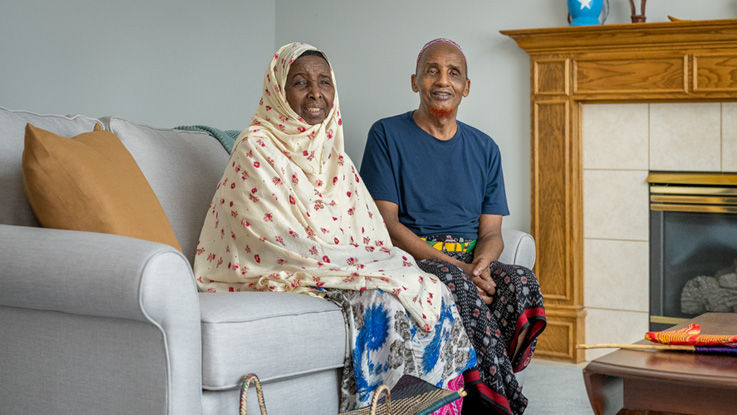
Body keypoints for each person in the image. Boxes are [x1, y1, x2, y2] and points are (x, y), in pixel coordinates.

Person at [193, 42, 475, 413]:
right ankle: (378, 408)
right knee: (382, 300)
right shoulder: (255, 146)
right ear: (278, 89)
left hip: (331, 263)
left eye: (324, 82)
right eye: (300, 82)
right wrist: (356, 270)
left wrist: (377, 267)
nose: (315, 93)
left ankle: (432, 407)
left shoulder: (333, 154)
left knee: (426, 284)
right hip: (278, 267)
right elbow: (273, 237)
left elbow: (369, 233)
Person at [360, 38, 547, 415]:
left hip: (466, 260)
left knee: (522, 282)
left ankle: (479, 390)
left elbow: (492, 233)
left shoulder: (485, 148)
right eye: (432, 71)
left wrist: (479, 266)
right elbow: (388, 225)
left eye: (454, 73)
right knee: (456, 284)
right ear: (415, 81)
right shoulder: (386, 135)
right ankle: (504, 401)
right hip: (411, 258)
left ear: (466, 87)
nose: (442, 80)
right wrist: (463, 272)